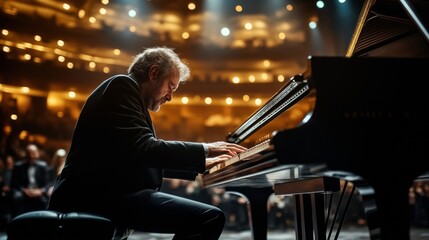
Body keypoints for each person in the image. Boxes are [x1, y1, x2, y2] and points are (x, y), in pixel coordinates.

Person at [47, 46, 246, 240]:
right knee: (209, 218)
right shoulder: (122, 86)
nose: (170, 96)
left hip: (107, 194)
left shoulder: (129, 96)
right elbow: (143, 148)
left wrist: (201, 165)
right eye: (170, 86)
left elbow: (132, 155)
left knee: (206, 216)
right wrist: (205, 149)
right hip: (96, 197)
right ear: (153, 73)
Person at [10, 144, 51, 217]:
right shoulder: (18, 166)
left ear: (37, 154)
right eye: (29, 153)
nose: (31, 156)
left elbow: (47, 183)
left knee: (45, 201)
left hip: (38, 192)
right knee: (16, 197)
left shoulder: (43, 166)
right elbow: (14, 183)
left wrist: (40, 191)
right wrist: (24, 190)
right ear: (25, 154)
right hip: (24, 191)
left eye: (33, 153)